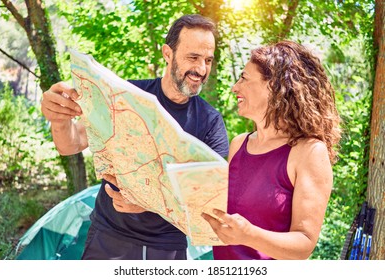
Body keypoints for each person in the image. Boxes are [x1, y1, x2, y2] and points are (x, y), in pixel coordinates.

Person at [41, 14, 229, 260]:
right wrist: (59, 118)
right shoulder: (125, 96)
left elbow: (208, 204)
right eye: (193, 57)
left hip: (168, 249)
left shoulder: (211, 122)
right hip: (107, 237)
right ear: (167, 54)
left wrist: (150, 203)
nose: (202, 69)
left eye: (208, 60)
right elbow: (70, 144)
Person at [202, 40, 341, 260]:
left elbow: (304, 244)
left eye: (244, 78)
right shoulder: (239, 144)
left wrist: (249, 235)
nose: (235, 87)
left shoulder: (310, 152)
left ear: (274, 86)